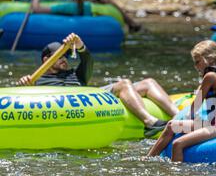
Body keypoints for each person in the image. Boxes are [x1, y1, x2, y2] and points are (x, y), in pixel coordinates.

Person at [18, 33, 175, 137]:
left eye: (66, 56)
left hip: (90, 97)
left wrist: (79, 45)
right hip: (68, 104)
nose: (64, 60)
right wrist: (24, 86)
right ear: (46, 60)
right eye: (59, 57)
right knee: (126, 83)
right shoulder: (37, 81)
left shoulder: (76, 74)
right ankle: (149, 121)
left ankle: (181, 117)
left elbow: (88, 60)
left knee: (147, 82)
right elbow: (27, 101)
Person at [147, 40, 216, 162]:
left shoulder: (210, 76)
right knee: (171, 125)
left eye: (197, 62)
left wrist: (187, 119)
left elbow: (196, 105)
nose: (196, 67)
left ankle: (176, 175)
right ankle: (147, 159)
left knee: (178, 144)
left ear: (207, 59)